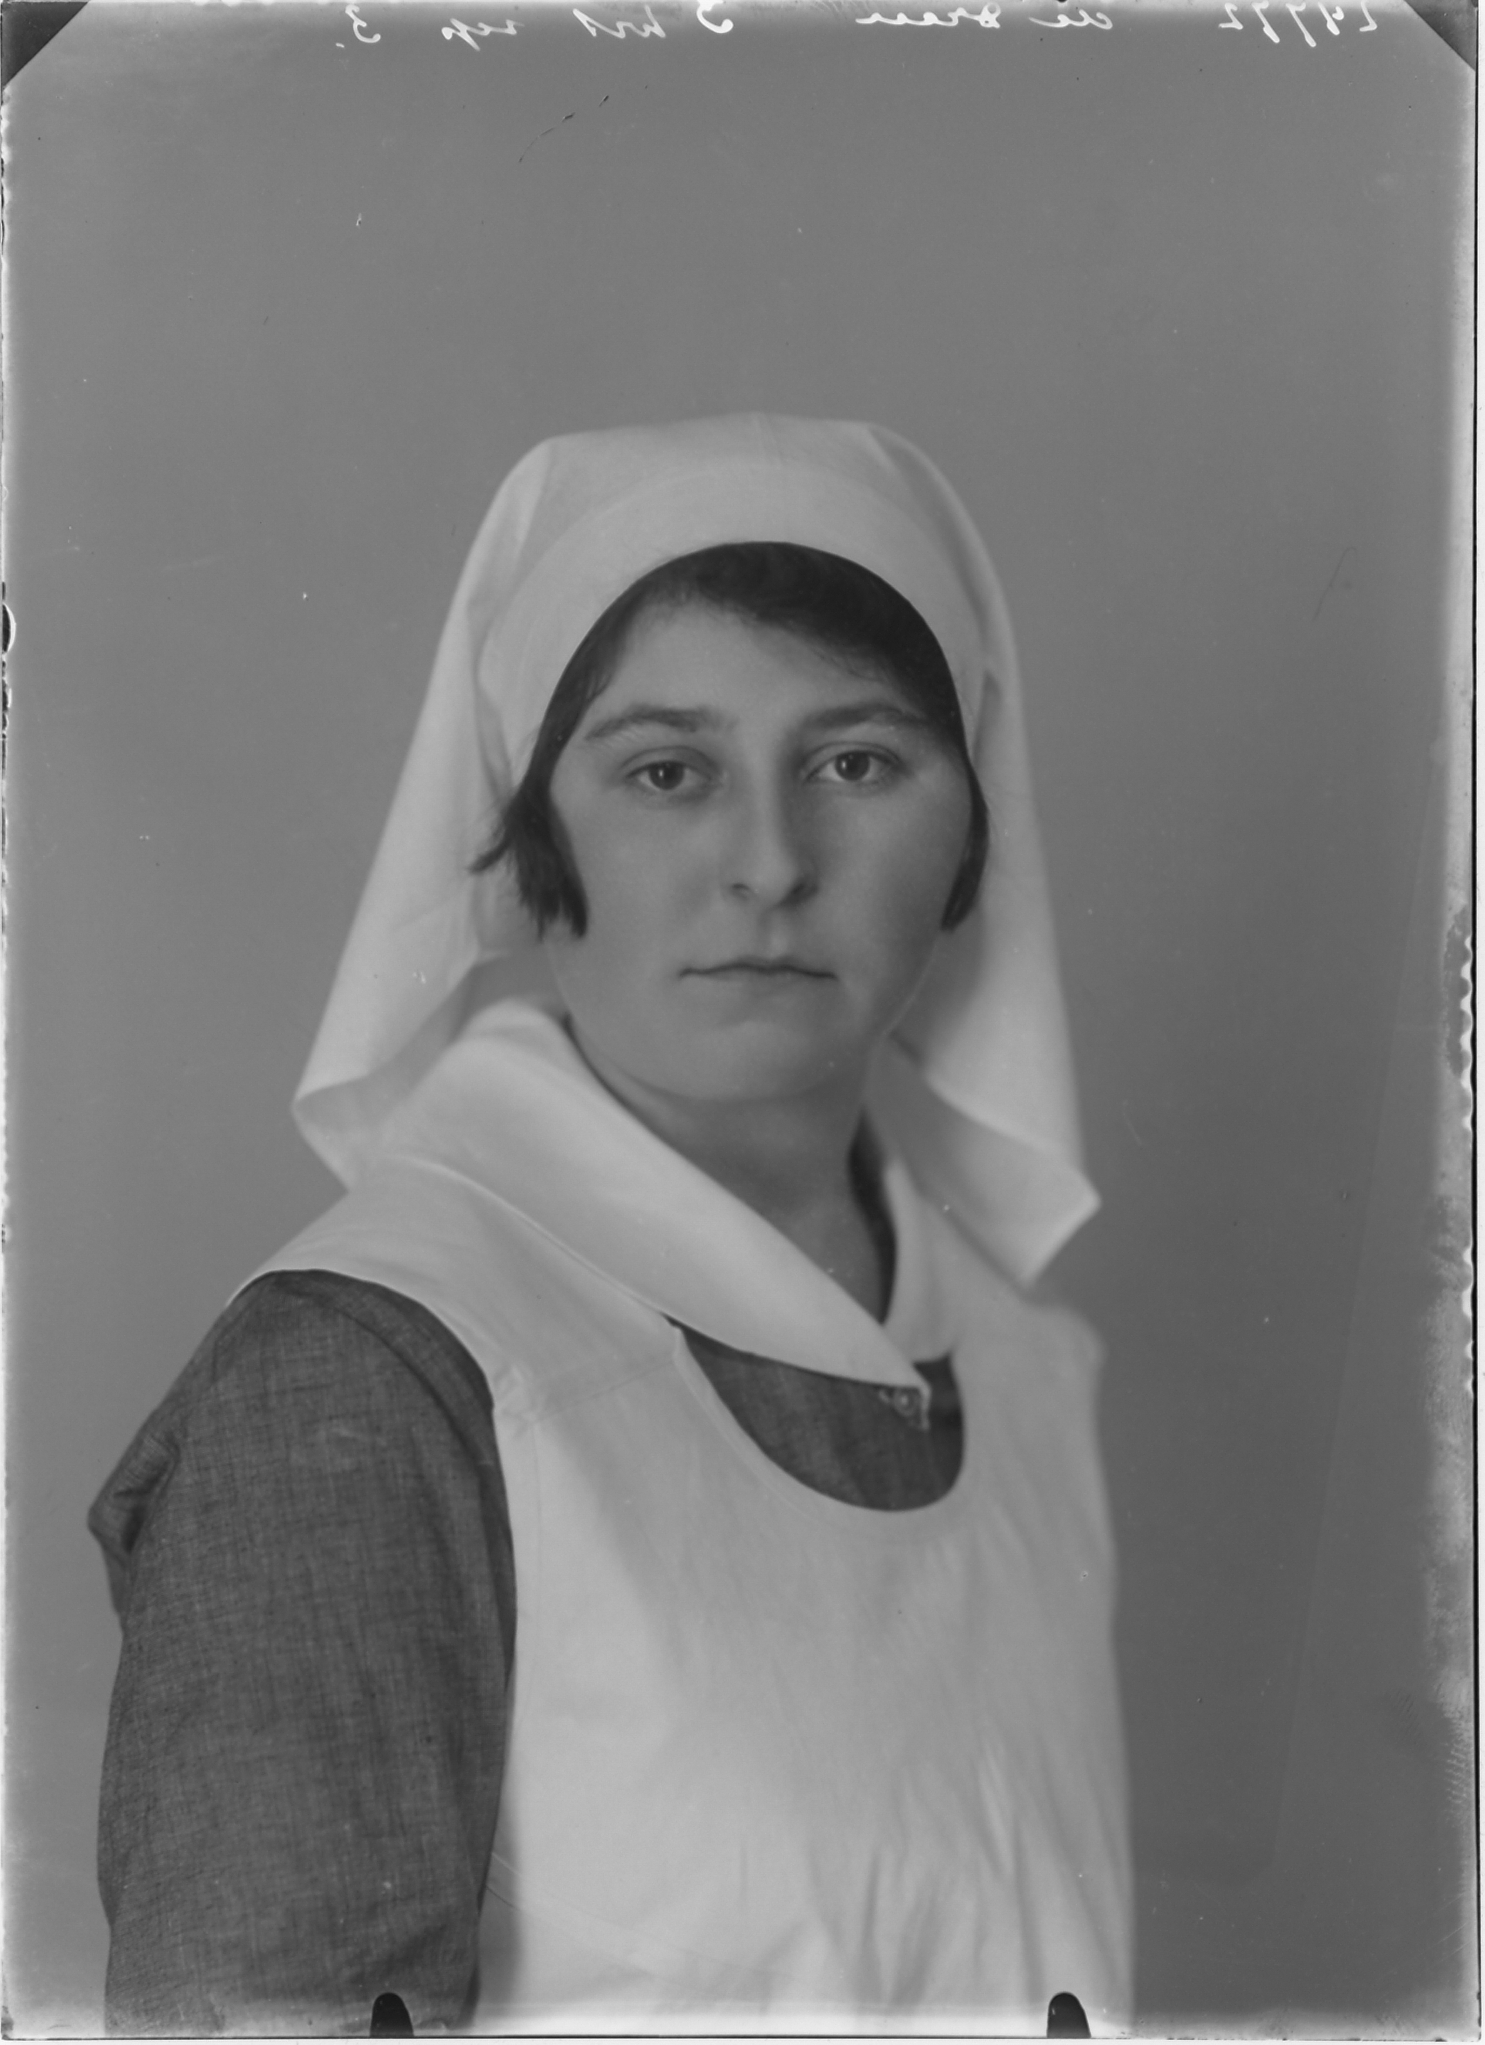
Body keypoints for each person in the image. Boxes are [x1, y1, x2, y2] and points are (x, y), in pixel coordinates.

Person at [90, 415, 1133, 2036]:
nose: (768, 863)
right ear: (530, 850)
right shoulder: (370, 1378)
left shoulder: (1022, 1367)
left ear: (967, 842)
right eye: (666, 771)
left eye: (856, 762)